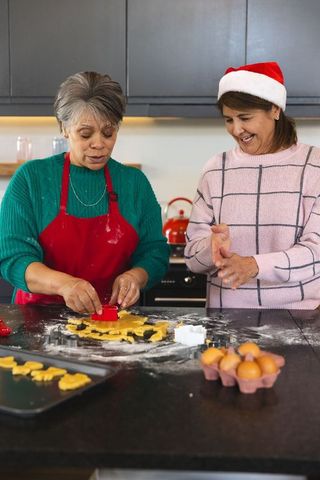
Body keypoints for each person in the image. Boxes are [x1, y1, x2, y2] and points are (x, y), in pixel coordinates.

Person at [0, 71, 170, 314]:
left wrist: (137, 276)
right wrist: (65, 285)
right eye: (86, 134)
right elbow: (13, 258)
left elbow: (154, 252)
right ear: (64, 129)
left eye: (108, 133)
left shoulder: (135, 184)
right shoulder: (31, 179)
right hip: (38, 322)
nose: (99, 144)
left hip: (113, 322)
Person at [185, 61, 320, 309]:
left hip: (297, 318)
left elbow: (316, 252)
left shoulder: (314, 166)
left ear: (275, 110)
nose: (237, 130)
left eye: (245, 117)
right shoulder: (215, 170)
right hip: (226, 319)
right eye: (228, 120)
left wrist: (254, 265)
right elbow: (192, 257)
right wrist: (210, 247)